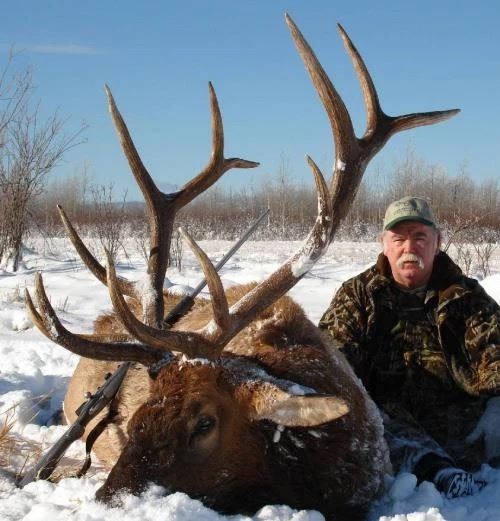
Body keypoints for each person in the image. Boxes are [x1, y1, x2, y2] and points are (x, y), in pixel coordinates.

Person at [319, 196, 500, 499]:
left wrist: (496, 402)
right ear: (384, 245)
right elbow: (334, 360)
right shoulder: (358, 296)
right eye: (399, 239)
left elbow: (493, 352)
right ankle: (436, 471)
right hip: (387, 425)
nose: (409, 248)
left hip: (462, 424)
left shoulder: (467, 296)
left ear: (437, 242)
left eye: (419, 237)